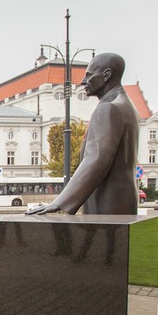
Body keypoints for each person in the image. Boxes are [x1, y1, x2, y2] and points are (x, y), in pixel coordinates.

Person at [28, 53, 140, 215]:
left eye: (89, 75)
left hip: (107, 204)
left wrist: (59, 202)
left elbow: (96, 159)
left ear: (106, 75)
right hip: (123, 200)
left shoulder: (109, 108)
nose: (83, 81)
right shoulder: (128, 106)